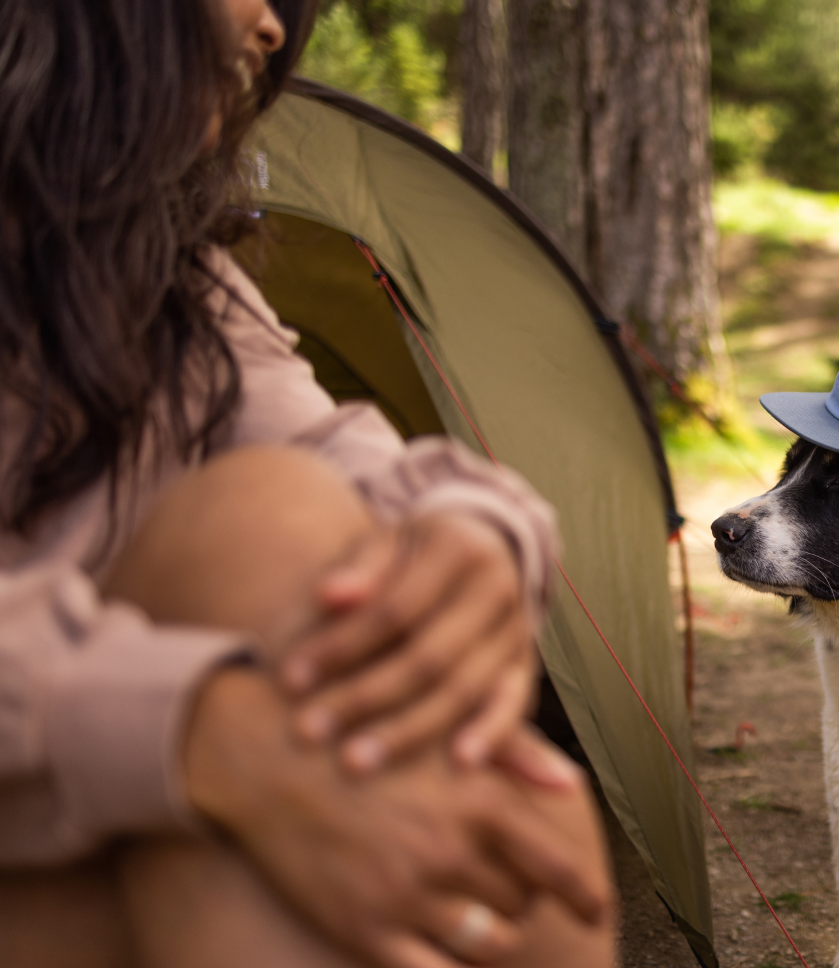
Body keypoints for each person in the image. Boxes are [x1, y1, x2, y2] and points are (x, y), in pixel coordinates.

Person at [0, 2, 615, 967]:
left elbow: (330, 449)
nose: (273, 25)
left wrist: (471, 531)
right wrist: (199, 727)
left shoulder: (172, 281)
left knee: (531, 812)